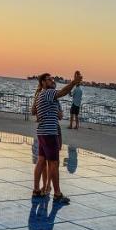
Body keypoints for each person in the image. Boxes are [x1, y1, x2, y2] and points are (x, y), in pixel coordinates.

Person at [32, 70, 82, 203]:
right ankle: (57, 194)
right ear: (43, 83)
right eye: (49, 79)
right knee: (54, 163)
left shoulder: (42, 95)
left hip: (43, 132)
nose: (52, 81)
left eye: (53, 79)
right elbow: (63, 92)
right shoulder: (48, 93)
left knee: (41, 161)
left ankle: (37, 190)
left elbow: (56, 114)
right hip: (49, 133)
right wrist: (74, 82)